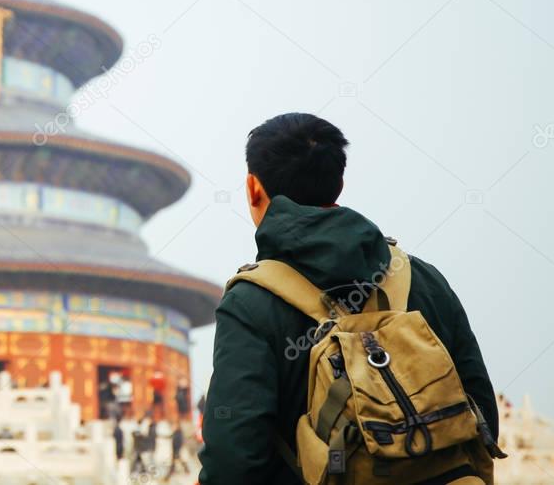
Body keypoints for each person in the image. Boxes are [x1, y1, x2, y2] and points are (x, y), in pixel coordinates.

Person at [198, 113, 500, 484]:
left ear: (252, 188)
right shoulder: (422, 279)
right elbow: (481, 411)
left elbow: (233, 461)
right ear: (339, 183)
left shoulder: (250, 304)